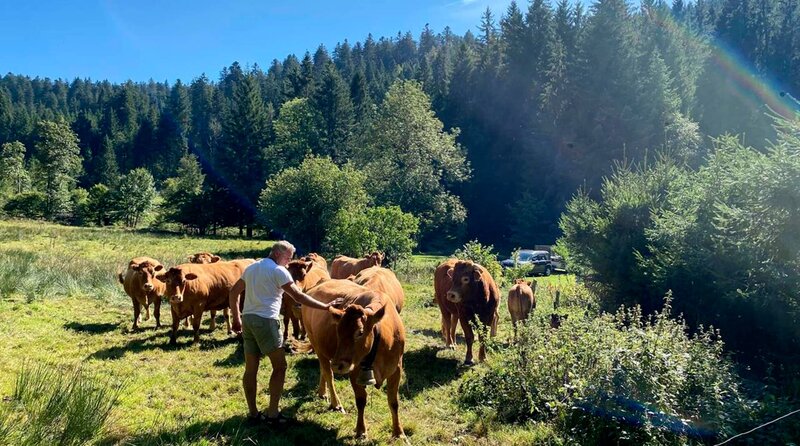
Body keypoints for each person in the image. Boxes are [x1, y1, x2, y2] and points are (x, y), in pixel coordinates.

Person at [228, 240, 340, 425]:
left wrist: (237, 318)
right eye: (288, 257)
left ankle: (253, 413)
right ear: (279, 254)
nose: (289, 262)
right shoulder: (279, 271)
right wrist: (325, 307)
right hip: (267, 322)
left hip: (248, 320)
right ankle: (273, 414)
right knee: (280, 367)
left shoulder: (252, 268)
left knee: (251, 369)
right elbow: (298, 296)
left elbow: (233, 293)